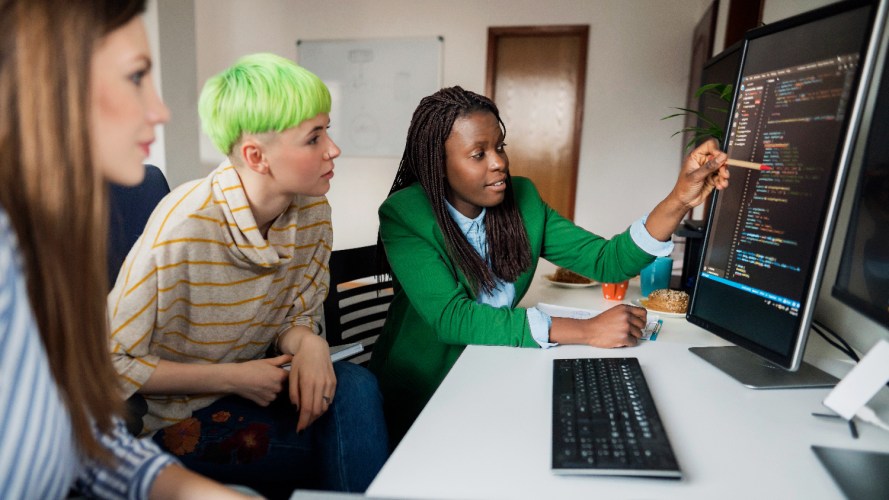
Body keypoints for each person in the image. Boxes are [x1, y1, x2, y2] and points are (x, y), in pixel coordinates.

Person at [369, 86, 730, 444]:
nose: (499, 162)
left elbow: (608, 261)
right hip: (425, 391)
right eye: (478, 153)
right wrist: (587, 330)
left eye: (499, 147)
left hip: (495, 366)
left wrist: (681, 197)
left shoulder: (522, 199)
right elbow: (453, 318)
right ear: (438, 164)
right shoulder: (406, 214)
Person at [0, 0, 253, 498]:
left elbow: (90, 439)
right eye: (137, 77)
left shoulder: (52, 244)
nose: (160, 110)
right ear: (47, 86)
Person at [107, 53, 388, 498]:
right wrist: (234, 377)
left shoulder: (313, 210)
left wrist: (309, 342)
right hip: (179, 417)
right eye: (314, 138)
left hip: (256, 388)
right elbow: (112, 363)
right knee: (341, 446)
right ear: (257, 157)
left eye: (327, 130)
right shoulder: (184, 226)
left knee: (356, 385)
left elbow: (295, 315)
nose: (333, 149)